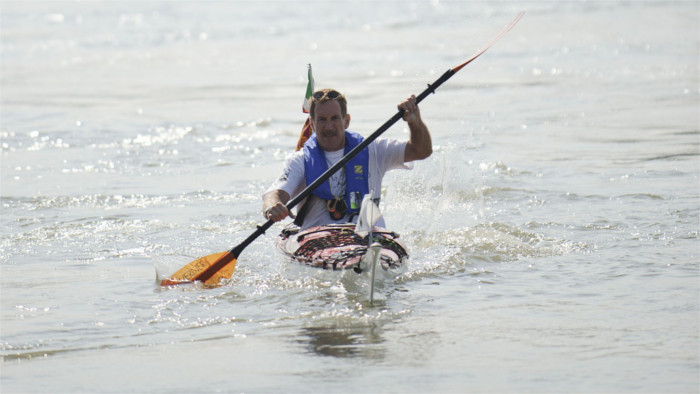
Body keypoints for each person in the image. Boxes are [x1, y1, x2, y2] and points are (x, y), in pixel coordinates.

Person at [262, 88, 432, 230]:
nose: (329, 126)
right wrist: (273, 206)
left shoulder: (374, 150)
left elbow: (422, 151)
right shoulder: (300, 161)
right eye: (321, 120)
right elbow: (276, 193)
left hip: (369, 239)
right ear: (312, 125)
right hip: (318, 241)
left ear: (346, 121)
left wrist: (414, 123)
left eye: (335, 118)